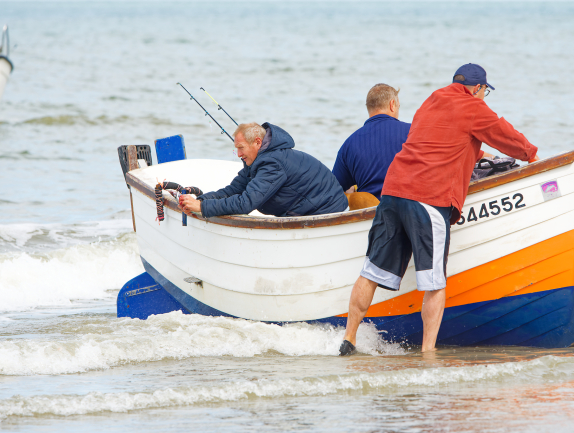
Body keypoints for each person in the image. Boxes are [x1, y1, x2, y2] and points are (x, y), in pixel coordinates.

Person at [339, 64, 540, 356]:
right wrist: (532, 155)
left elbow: (437, 142)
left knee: (370, 272)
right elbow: (505, 135)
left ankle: (349, 339)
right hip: (428, 197)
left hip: (393, 193)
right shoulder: (472, 105)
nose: (484, 97)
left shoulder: (430, 101)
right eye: (484, 92)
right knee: (434, 282)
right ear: (478, 88)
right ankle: (428, 353)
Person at [179, 122, 348, 218]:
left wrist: (203, 207)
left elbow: (245, 203)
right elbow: (234, 190)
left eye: (241, 148)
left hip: (328, 213)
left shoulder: (272, 164)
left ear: (258, 143)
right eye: (235, 148)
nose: (238, 154)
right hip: (304, 211)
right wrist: (200, 200)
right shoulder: (257, 161)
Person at [332, 84, 411, 199]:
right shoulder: (413, 133)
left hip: (369, 212)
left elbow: (334, 190)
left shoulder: (349, 144)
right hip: (409, 207)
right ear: (392, 105)